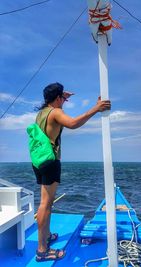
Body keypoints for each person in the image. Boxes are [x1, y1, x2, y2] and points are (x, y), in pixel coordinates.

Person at [33, 82, 111, 262]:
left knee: (46, 202)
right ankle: (42, 250)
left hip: (38, 161)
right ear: (58, 98)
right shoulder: (56, 112)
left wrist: (61, 97)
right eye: (62, 98)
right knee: (46, 204)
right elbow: (74, 123)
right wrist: (96, 108)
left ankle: (47, 236)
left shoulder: (42, 113)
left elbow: (53, 117)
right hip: (51, 162)